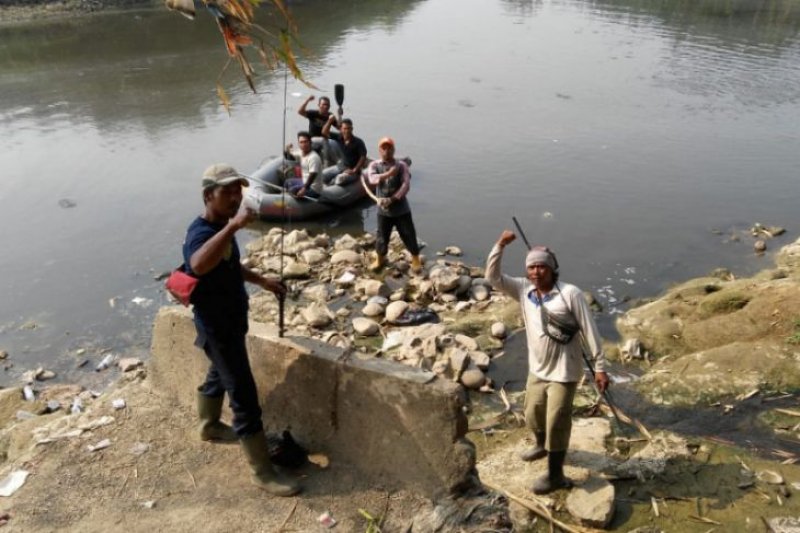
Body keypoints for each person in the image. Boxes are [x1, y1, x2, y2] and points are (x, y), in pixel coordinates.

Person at [183, 163, 301, 497]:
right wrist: (234, 227)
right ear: (209, 195)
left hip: (228, 322)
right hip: (217, 326)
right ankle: (262, 471)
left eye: (239, 190)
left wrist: (262, 280)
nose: (236, 197)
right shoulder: (203, 232)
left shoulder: (220, 226)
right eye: (227, 191)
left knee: (218, 375)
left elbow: (229, 265)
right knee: (244, 395)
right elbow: (198, 264)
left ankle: (208, 425)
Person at [486, 231, 609, 495]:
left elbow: (590, 331)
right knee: (532, 413)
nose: (536, 272)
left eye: (542, 266)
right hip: (537, 369)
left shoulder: (570, 294)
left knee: (557, 421)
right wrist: (500, 245)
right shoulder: (523, 290)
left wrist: (600, 367)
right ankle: (541, 445)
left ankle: (556, 475)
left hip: (564, 372)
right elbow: (492, 278)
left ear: (553, 269)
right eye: (531, 267)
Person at [366, 137, 422, 274]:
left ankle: (415, 258)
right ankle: (380, 259)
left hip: (401, 209)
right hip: (383, 211)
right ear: (379, 150)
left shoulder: (402, 166)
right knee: (381, 236)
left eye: (389, 148)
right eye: (383, 148)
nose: (386, 151)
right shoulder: (374, 165)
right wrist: (389, 174)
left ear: (394, 150)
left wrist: (392, 199)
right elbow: (372, 179)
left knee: (408, 233)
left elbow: (405, 185)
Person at [322, 117, 366, 186]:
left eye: (349, 128)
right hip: (341, 167)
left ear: (352, 129)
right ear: (341, 129)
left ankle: (331, 186)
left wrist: (355, 170)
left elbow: (363, 157)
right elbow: (324, 132)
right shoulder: (339, 137)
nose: (347, 131)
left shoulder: (358, 142)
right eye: (345, 128)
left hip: (353, 171)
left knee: (339, 179)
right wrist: (330, 121)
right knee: (322, 174)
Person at [283, 131, 323, 199]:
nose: (304, 144)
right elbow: (289, 157)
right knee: (287, 182)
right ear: (298, 143)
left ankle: (291, 201)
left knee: (293, 190)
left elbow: (313, 175)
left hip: (313, 188)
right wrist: (286, 150)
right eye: (301, 142)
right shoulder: (300, 152)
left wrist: (304, 189)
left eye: (305, 142)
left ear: (310, 142)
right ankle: (284, 196)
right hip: (303, 181)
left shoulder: (313, 157)